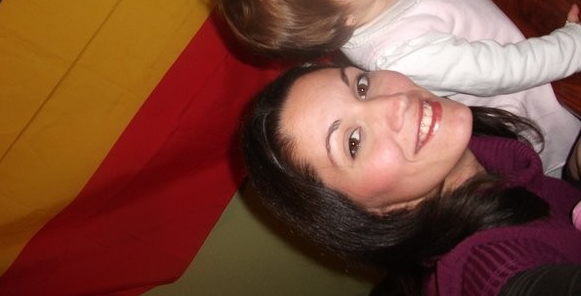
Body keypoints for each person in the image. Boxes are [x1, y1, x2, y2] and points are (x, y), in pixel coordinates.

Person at [207, 0, 581, 178]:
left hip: (518, 39)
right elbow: (515, 68)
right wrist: (574, 41)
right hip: (547, 109)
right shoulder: (405, 55)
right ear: (344, 20)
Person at [242, 62, 581, 295]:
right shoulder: (491, 270)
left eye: (361, 86)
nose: (395, 103)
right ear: (364, 215)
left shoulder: (469, 160)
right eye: (353, 142)